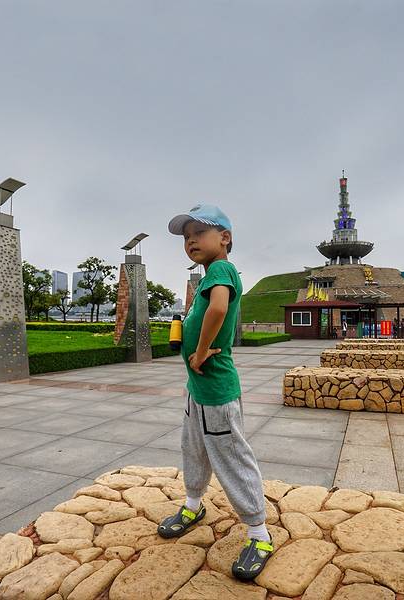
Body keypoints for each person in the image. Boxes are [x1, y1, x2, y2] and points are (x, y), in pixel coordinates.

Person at [157, 204, 273, 581]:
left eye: (199, 233)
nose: (190, 240)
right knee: (193, 449)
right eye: (186, 236)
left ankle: (259, 534)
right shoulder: (210, 274)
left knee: (232, 456)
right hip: (198, 390)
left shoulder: (221, 270)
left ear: (224, 238)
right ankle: (193, 505)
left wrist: (202, 349)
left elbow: (219, 309)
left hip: (216, 390)